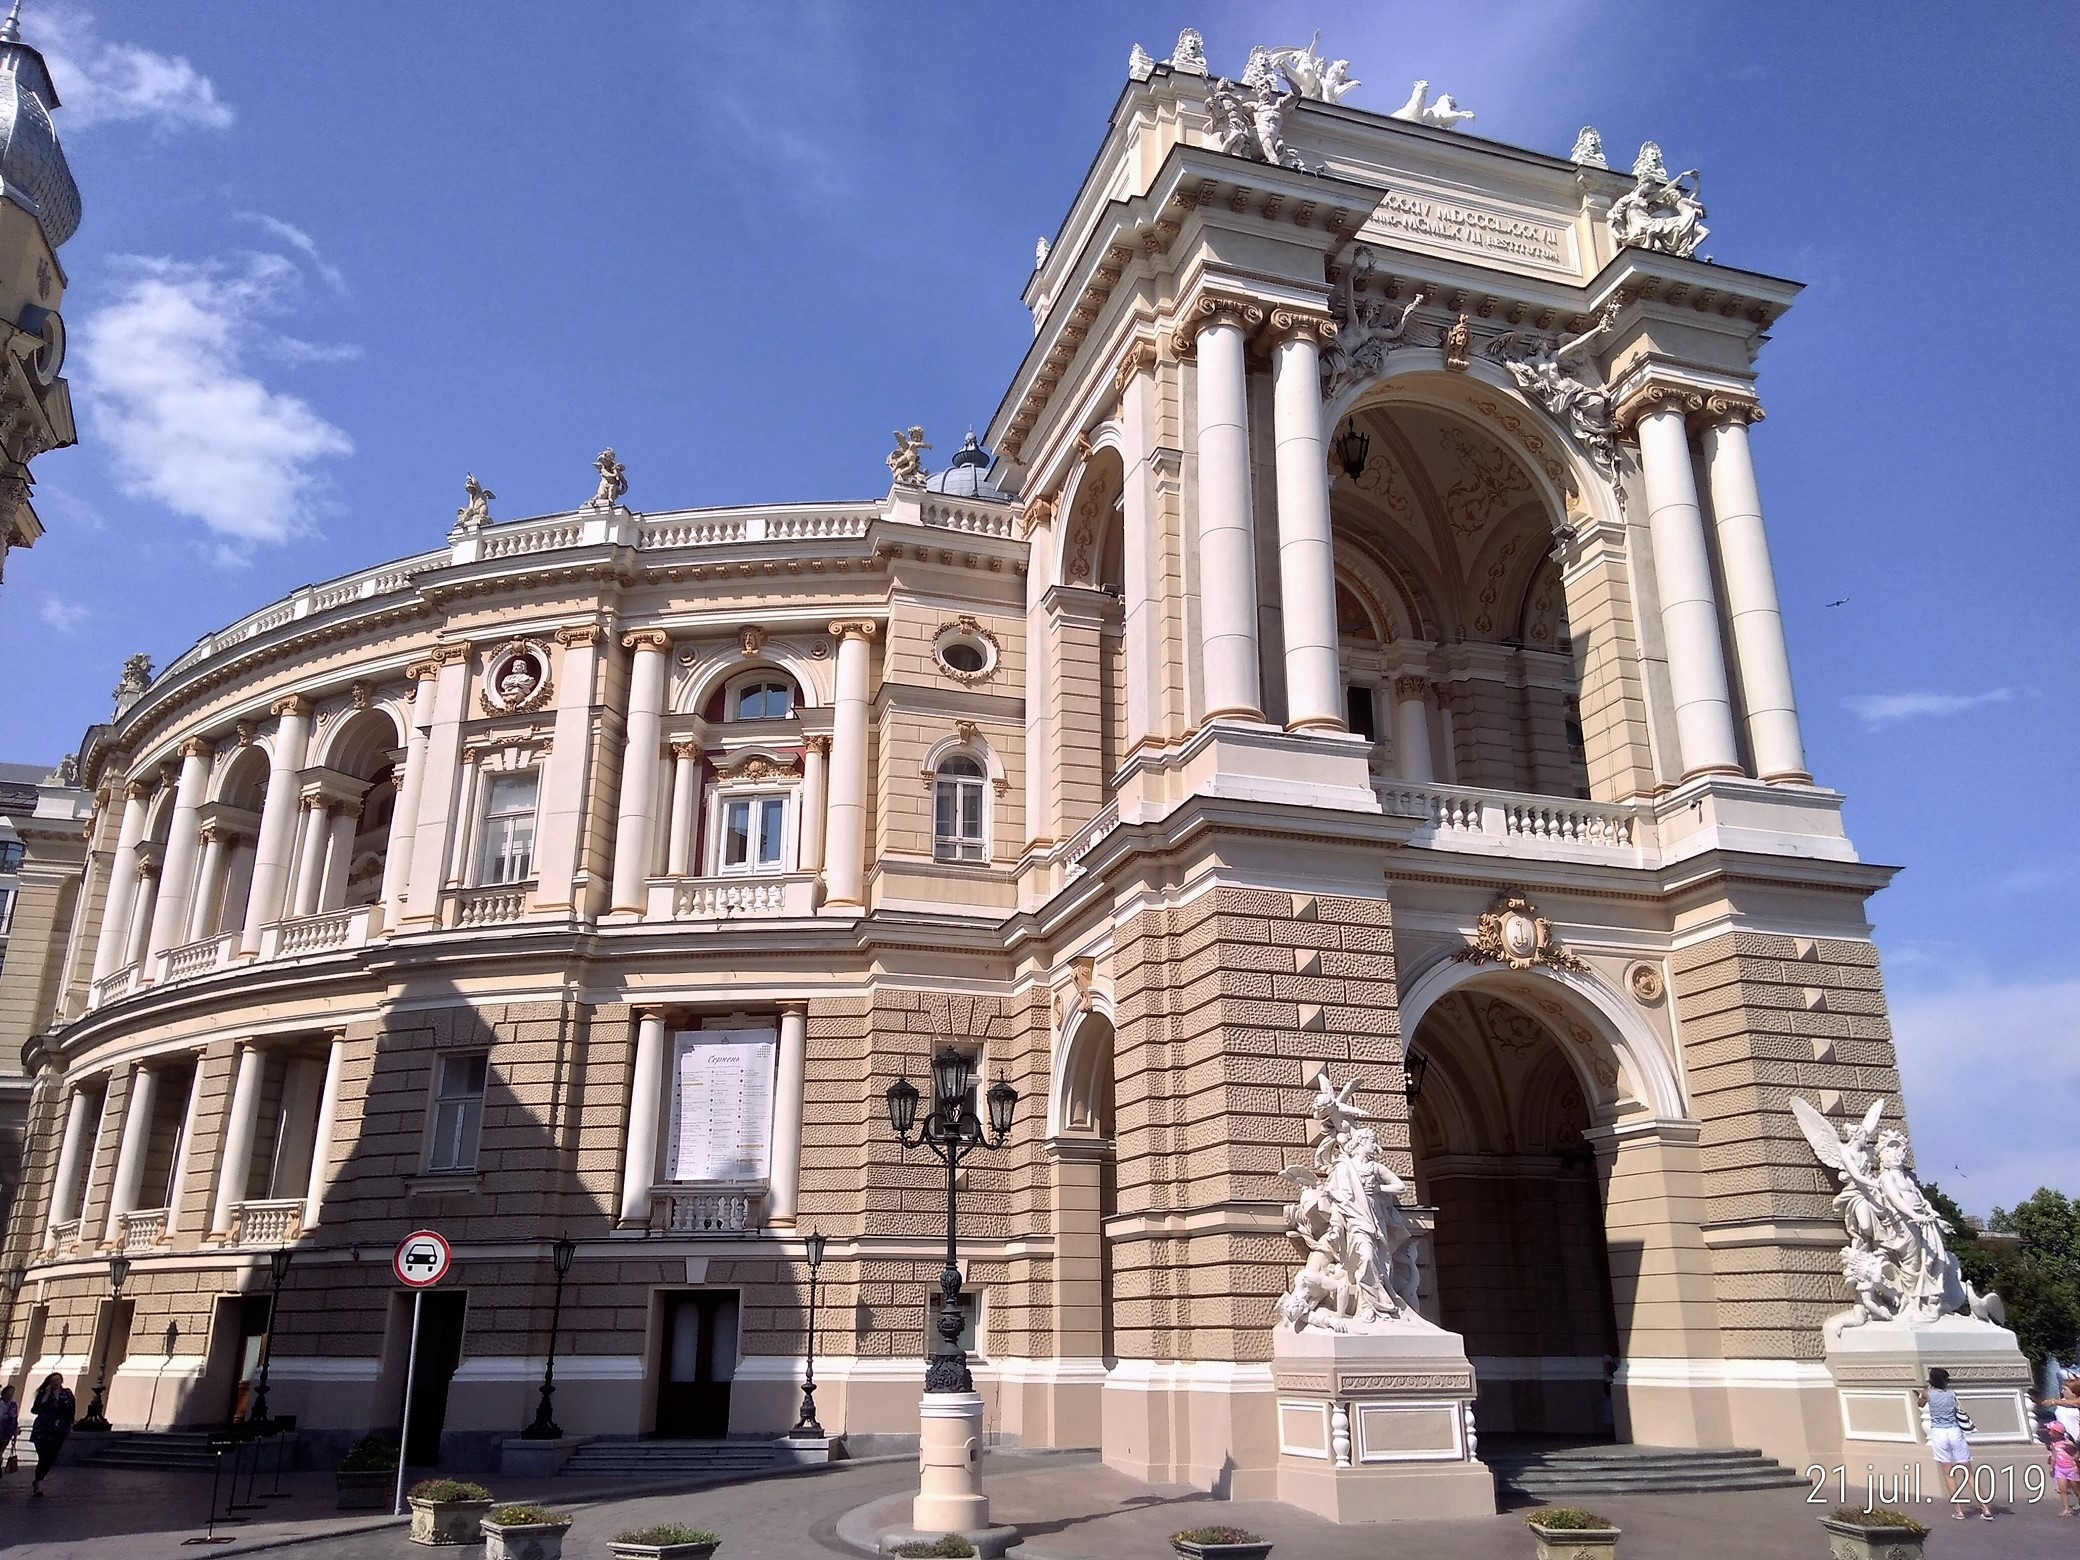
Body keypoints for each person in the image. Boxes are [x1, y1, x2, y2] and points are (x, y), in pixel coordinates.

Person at [1920, 1367, 1991, 1520]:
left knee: (1948, 1473)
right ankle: (1984, 1508)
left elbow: (1920, 1403)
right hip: (1955, 1431)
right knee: (1968, 1472)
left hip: (1939, 1433)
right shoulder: (1951, 1394)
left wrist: (1922, 1392)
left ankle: (1959, 1510)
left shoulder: (1928, 1394)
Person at [28, 1372, 74, 1497]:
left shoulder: (67, 1393)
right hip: (42, 1430)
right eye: (53, 1380)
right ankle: (39, 1483)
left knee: (51, 1458)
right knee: (43, 1457)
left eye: (58, 1379)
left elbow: (71, 1411)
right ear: (49, 1382)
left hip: (59, 1431)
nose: (56, 1382)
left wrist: (70, 1426)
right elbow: (35, 1410)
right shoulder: (43, 1394)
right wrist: (46, 1395)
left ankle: (39, 1479)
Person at [2047, 1421, 2080, 1517]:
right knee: (2062, 1490)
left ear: (2057, 1433)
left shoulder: (2067, 1443)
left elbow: (2076, 1454)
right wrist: (2051, 1467)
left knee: (2076, 1489)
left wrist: (2072, 1450)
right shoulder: (2053, 1444)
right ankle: (2066, 1509)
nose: (2048, 1433)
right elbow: (2054, 1456)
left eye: (2050, 1431)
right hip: (2060, 1469)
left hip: (2071, 1468)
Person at [0, 1384, 18, 1472]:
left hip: (7, 1432)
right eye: (8, 1394)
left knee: (1, 1450)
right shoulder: (1, 1403)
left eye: (11, 1394)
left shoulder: (13, 1405)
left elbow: (14, 1418)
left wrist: (15, 1429)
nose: (10, 1396)